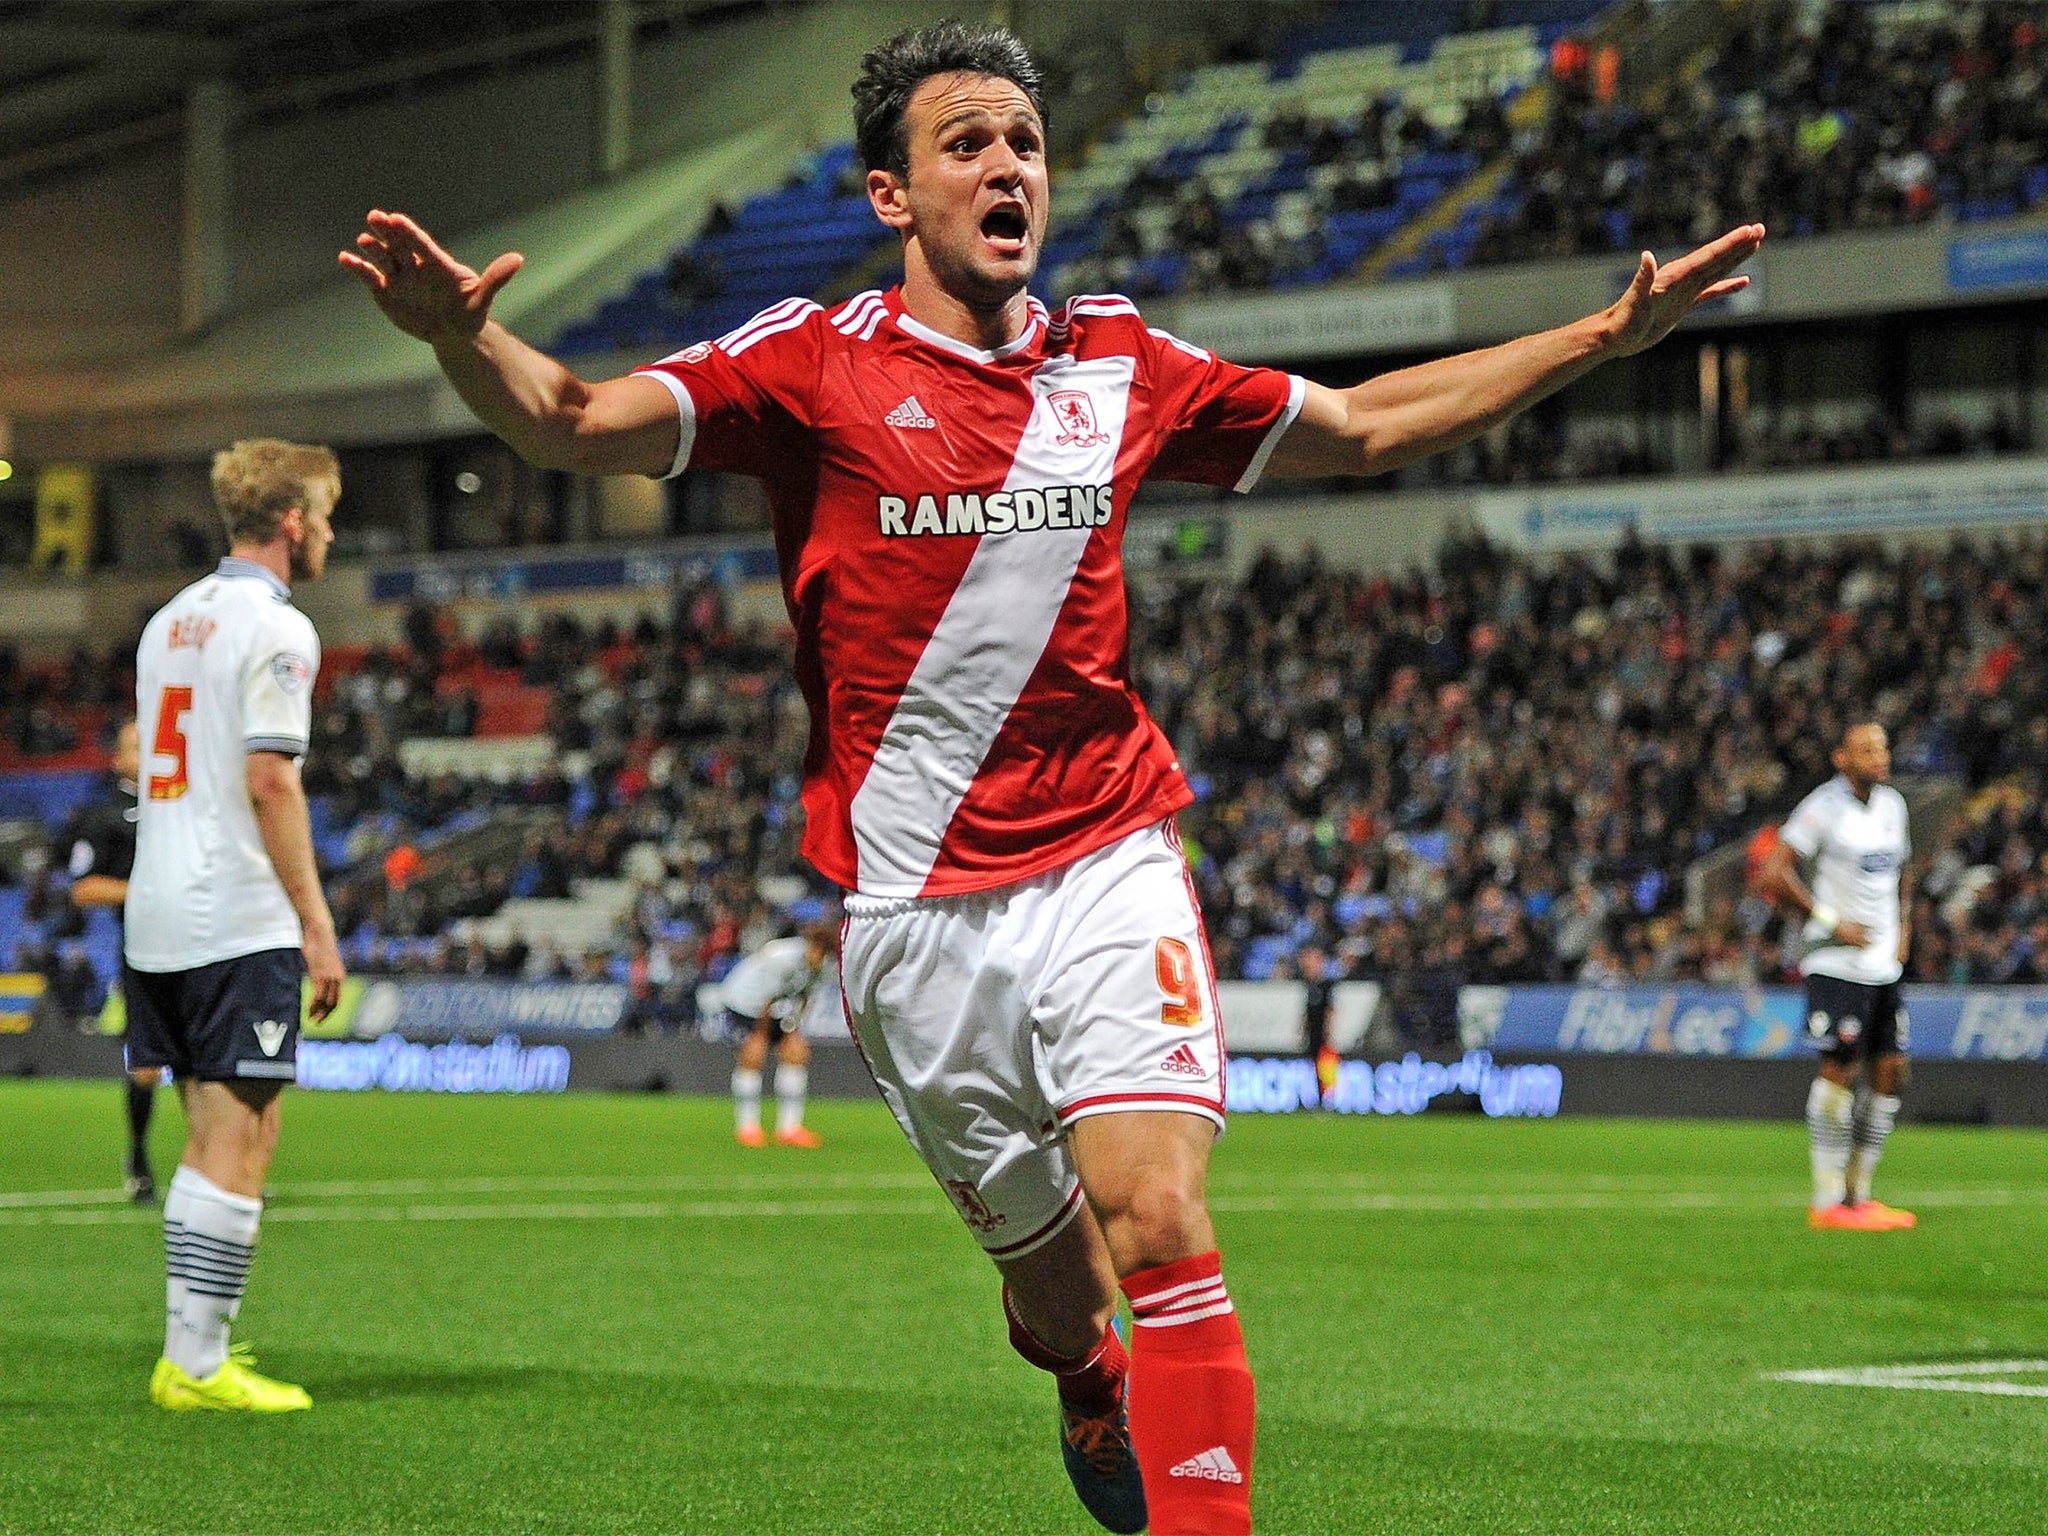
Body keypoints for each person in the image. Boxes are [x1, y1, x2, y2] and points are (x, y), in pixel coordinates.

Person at [342, 21, 1760, 1532]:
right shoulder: (809, 366)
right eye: (967, 143)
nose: (1008, 164)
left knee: (1161, 1218)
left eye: (1023, 139)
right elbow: (569, 422)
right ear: (893, 195)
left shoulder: (1120, 360)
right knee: (1065, 1298)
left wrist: (1595, 344)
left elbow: (1356, 427)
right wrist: (458, 338)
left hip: (1104, 857)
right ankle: (1086, 1380)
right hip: (911, 920)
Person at [126, 439, 346, 1413]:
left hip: (156, 909)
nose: (332, 531)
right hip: (235, 913)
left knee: (203, 1135)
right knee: (242, 1137)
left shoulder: (168, 621)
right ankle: (201, 1363)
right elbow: (270, 779)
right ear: (293, 520)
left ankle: (190, 1350)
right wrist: (316, 921)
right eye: (329, 514)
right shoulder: (278, 629)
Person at [1761, 721, 1916, 1233]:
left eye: (1883, 747)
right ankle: (1827, 1200)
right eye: (1866, 749)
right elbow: (1773, 872)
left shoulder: (1894, 805)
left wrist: (1904, 930)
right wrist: (1830, 921)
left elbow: (1904, 875)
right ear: (1841, 758)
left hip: (1882, 966)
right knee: (1841, 1070)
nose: (1879, 756)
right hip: (1835, 962)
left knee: (1890, 1070)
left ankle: (1860, 1194)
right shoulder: (1822, 807)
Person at [60, 717, 156, 1202]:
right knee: (147, 1066)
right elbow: (82, 888)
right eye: (139, 747)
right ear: (119, 759)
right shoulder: (103, 816)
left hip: (203, 950)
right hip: (143, 953)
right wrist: (148, 891)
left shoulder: (185, 806)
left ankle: (221, 1173)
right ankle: (138, 1156)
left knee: (208, 1067)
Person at [717, 921, 835, 1147]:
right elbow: (765, 998)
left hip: (777, 1006)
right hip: (743, 1004)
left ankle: (789, 1129)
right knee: (753, 1057)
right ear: (811, 944)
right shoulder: (781, 956)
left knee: (797, 1053)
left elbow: (805, 998)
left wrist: (792, 1029)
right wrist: (760, 1036)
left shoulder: (827, 965)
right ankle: (748, 1127)